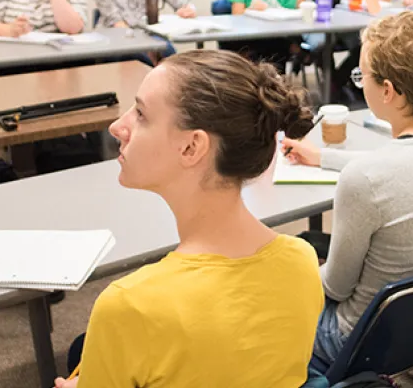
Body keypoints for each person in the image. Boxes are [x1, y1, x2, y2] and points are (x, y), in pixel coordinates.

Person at [54, 50, 323, 388]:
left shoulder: (130, 306)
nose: (117, 126)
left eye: (140, 114)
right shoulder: (302, 261)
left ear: (191, 147)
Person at [279, 12, 413, 372]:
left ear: (388, 91)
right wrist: (324, 158)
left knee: (275, 286)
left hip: (361, 339)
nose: (359, 82)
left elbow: (335, 287)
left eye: (361, 75)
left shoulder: (364, 179)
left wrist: (285, 280)